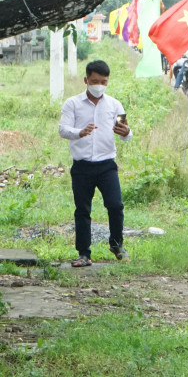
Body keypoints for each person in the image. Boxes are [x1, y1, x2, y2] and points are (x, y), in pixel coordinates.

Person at [59, 59, 132, 267]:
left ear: (108, 81)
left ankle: (116, 245)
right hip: (82, 166)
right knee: (83, 209)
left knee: (115, 205)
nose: (99, 85)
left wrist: (126, 132)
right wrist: (80, 132)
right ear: (86, 80)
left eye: (103, 81)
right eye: (94, 81)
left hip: (107, 165)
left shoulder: (114, 105)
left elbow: (125, 133)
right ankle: (84, 254)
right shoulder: (73, 104)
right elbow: (63, 129)